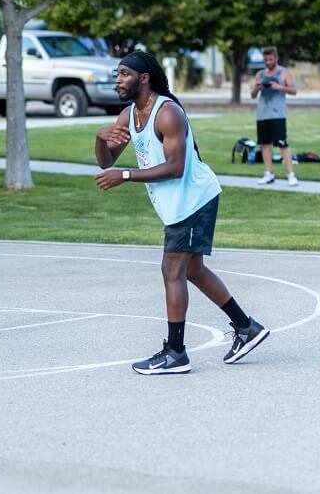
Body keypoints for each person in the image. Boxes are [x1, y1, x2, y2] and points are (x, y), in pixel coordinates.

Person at [94, 51, 269, 374]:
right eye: (116, 75)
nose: (117, 80)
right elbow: (107, 162)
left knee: (172, 270)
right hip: (179, 202)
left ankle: (176, 353)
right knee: (193, 271)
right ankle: (247, 329)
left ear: (143, 78)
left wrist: (127, 175)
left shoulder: (168, 113)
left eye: (123, 75)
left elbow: (175, 168)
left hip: (194, 198)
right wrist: (100, 138)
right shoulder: (128, 115)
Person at [250, 46, 298, 186]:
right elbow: (253, 96)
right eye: (266, 60)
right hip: (262, 115)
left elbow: (294, 90)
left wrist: (279, 87)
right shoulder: (260, 74)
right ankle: (268, 174)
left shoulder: (285, 72)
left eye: (271, 59)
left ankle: (291, 175)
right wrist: (257, 88)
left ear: (276, 58)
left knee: (283, 144)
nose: (268, 62)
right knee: (265, 145)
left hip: (278, 115)